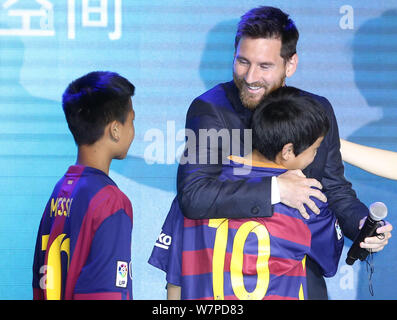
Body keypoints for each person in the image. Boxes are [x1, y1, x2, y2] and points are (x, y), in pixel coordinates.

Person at [176, 6, 392, 299]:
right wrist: (277, 189)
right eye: (242, 61)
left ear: (290, 65)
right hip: (232, 280)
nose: (250, 76)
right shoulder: (211, 110)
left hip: (303, 274)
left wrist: (361, 225)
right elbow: (194, 194)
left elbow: (336, 190)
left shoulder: (316, 112)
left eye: (264, 66)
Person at [149, 87, 344, 300]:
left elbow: (174, 283)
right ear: (288, 151)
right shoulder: (306, 200)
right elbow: (329, 261)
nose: (315, 157)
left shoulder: (192, 195)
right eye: (315, 149)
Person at [32, 71, 136, 300]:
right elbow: (107, 294)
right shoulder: (111, 201)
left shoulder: (59, 191)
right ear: (115, 129)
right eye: (132, 120)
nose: (133, 130)